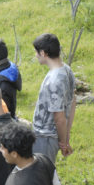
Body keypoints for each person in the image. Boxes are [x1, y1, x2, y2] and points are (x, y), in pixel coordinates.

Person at [31, 33, 76, 163]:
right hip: (51, 136)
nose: (35, 55)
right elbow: (72, 102)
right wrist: (66, 137)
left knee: (41, 175)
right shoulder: (67, 69)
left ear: (43, 53)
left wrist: (63, 142)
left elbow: (59, 118)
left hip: (45, 137)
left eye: (36, 52)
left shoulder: (54, 81)